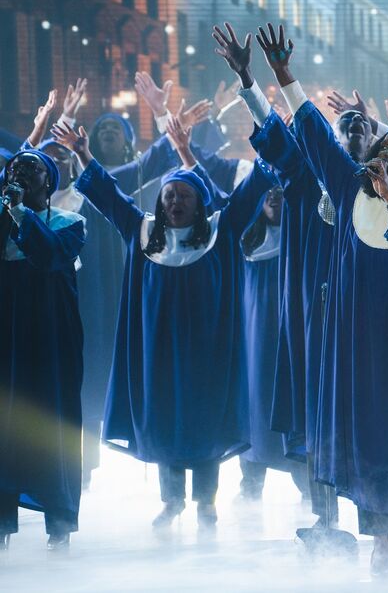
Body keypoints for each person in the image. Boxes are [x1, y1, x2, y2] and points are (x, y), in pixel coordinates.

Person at [256, 24, 388, 577]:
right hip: (360, 344)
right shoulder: (350, 191)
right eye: (384, 146)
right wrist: (284, 76)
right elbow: (316, 138)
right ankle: (382, 541)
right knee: (371, 438)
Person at [56, 112, 274, 532]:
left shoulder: (221, 232)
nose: (175, 202)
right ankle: (171, 502)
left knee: (205, 424)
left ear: (199, 203)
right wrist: (83, 154)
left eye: (184, 196)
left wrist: (268, 139)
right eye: (169, 196)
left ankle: (206, 502)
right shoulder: (143, 234)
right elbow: (109, 196)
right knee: (164, 422)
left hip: (208, 354)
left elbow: (252, 191)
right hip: (158, 354)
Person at [212, 22, 351, 547]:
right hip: (314, 316)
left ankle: (385, 522)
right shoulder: (301, 178)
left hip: (361, 314)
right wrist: (253, 80)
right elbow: (276, 133)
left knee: (362, 411)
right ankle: (327, 520)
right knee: (314, 414)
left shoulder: (371, 185)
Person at [0, 149, 86, 552]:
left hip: (51, 339)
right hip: (7, 337)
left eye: (30, 167)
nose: (19, 171)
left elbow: (48, 254)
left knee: (53, 424)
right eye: (13, 167)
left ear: (48, 182)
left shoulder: (69, 224)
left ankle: (60, 525)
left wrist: (20, 213)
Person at [236, 186, 308, 500]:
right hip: (255, 336)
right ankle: (251, 484)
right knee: (256, 404)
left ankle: (308, 487)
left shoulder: (303, 238)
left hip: (292, 333)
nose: (274, 198)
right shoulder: (247, 240)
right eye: (267, 194)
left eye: (280, 192)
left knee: (293, 402)